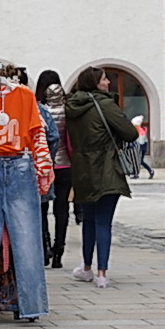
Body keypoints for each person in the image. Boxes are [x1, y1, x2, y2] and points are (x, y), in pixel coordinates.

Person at [64, 66, 136, 289]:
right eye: (105, 79)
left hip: (83, 169)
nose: (108, 83)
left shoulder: (72, 106)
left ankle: (86, 268)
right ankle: (102, 273)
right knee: (104, 222)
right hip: (107, 169)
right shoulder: (105, 105)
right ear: (96, 83)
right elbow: (130, 133)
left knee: (89, 221)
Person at [36, 70, 73, 269]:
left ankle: (44, 248)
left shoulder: (38, 109)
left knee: (42, 210)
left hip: (44, 165)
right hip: (66, 165)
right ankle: (59, 251)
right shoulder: (69, 109)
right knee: (62, 210)